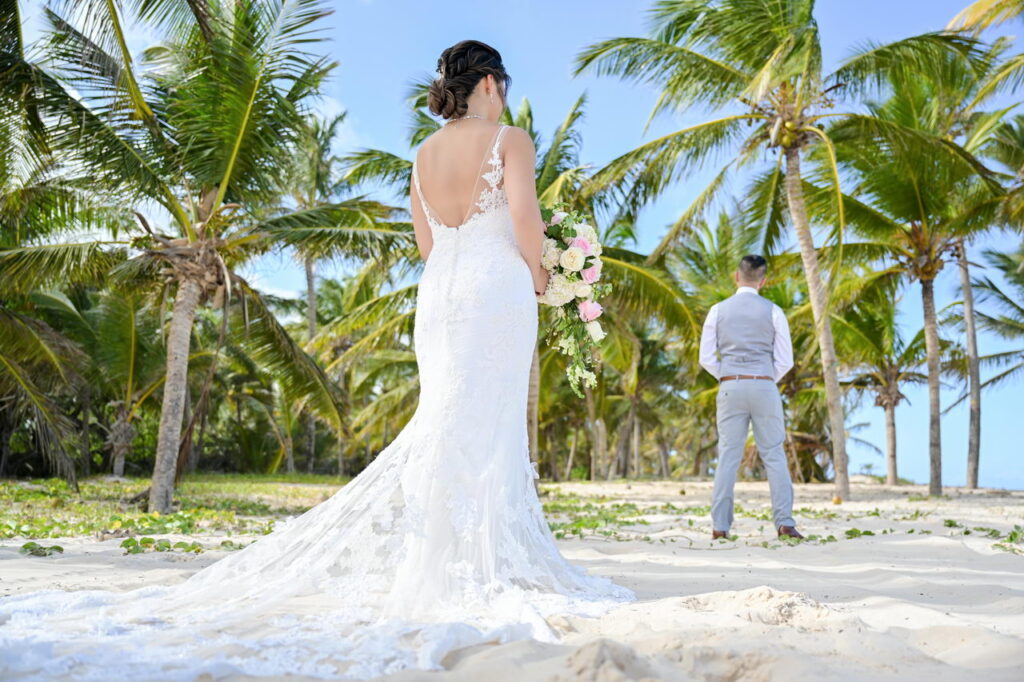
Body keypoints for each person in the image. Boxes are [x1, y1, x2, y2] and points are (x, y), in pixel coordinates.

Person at [0, 40, 632, 681]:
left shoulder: (421, 155)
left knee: (446, 418)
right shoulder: (512, 140)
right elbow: (524, 218)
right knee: (481, 422)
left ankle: (441, 558)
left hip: (440, 297)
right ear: (492, 85)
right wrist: (546, 279)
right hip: (495, 291)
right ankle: (479, 560)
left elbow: (427, 245)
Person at [698, 255, 803, 540]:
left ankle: (720, 527)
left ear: (736, 277)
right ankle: (785, 523)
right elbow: (786, 361)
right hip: (764, 385)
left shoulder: (717, 311)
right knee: (774, 455)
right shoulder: (774, 311)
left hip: (730, 385)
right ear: (763, 281)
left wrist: (727, 375)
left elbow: (706, 357)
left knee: (729, 456)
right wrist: (765, 378)